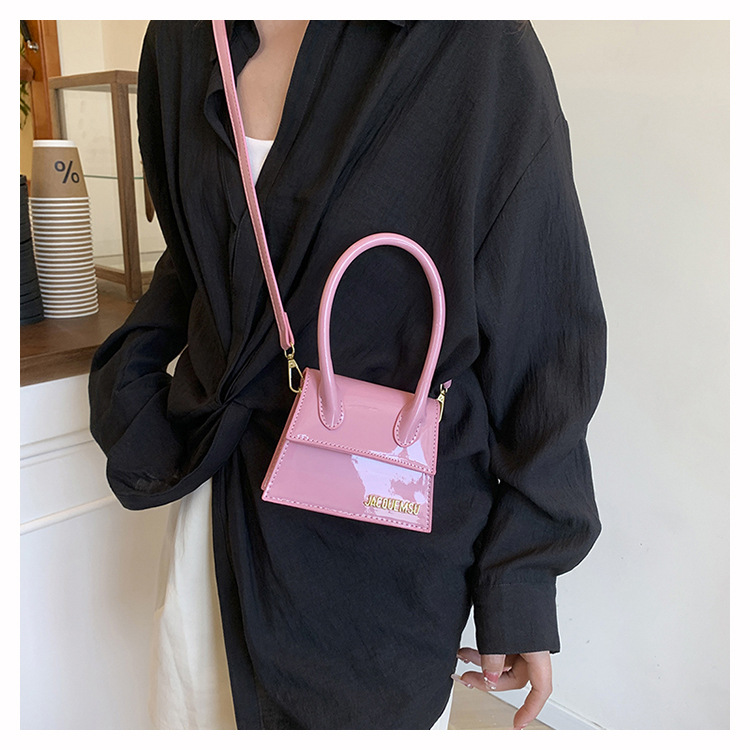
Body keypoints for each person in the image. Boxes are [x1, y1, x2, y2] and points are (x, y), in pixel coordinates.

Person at [88, 20, 607, 730]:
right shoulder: (183, 39)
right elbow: (194, 258)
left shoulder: (471, 42)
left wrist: (520, 580)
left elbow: (543, 331)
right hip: (216, 521)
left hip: (381, 567)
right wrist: (128, 388)